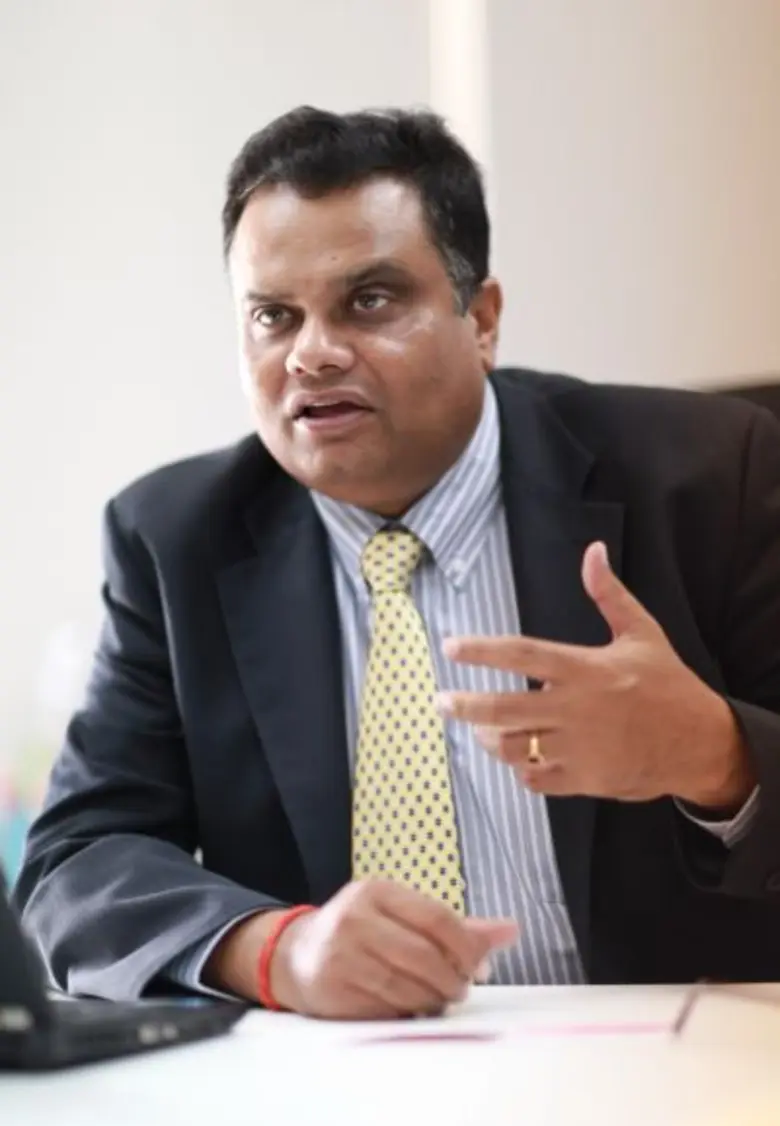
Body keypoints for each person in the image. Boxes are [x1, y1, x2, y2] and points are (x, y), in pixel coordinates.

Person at [14, 106, 780, 1021]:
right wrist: (278, 950)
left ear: (481, 319)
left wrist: (718, 757)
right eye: (273, 316)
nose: (312, 354)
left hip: (671, 1058)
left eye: (369, 301)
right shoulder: (175, 539)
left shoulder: (711, 475)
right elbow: (77, 863)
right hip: (346, 1075)